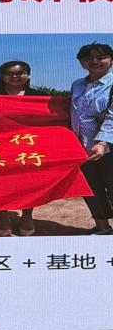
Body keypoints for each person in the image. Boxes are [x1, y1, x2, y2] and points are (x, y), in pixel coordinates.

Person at [0, 61, 45, 236]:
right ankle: (2, 216)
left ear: (28, 75)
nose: (15, 76)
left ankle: (27, 215)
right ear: (1, 76)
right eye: (9, 73)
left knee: (30, 182)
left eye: (20, 72)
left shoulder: (40, 97)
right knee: (0, 182)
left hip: (30, 145)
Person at [70, 42, 113, 235]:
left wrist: (102, 142)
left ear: (111, 60)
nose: (94, 61)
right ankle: (102, 227)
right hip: (83, 147)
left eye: (101, 57)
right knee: (90, 188)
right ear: (81, 62)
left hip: (108, 146)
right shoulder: (77, 84)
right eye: (88, 58)